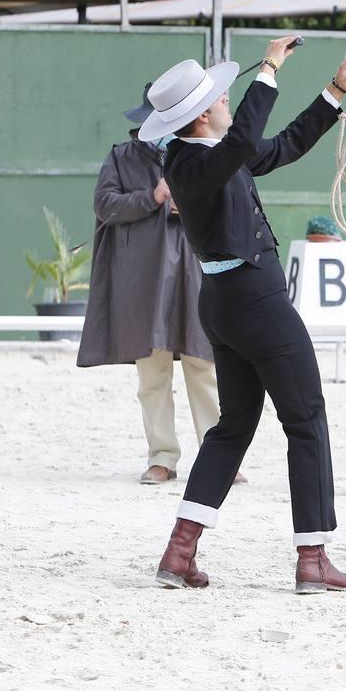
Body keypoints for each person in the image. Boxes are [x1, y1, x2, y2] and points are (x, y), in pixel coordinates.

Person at [140, 37, 346, 593]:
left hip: (226, 303)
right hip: (254, 298)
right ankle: (312, 557)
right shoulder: (197, 161)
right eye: (218, 97)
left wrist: (334, 91)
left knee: (234, 424)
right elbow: (244, 140)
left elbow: (282, 145)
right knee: (306, 417)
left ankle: (179, 550)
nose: (224, 101)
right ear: (203, 114)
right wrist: (267, 69)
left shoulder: (205, 157)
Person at [76, 85, 240, 486]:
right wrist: (152, 196)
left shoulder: (206, 151)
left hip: (196, 272)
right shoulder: (122, 157)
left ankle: (217, 456)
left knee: (205, 365)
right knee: (153, 373)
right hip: (146, 280)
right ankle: (162, 457)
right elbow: (104, 204)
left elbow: (233, 202)